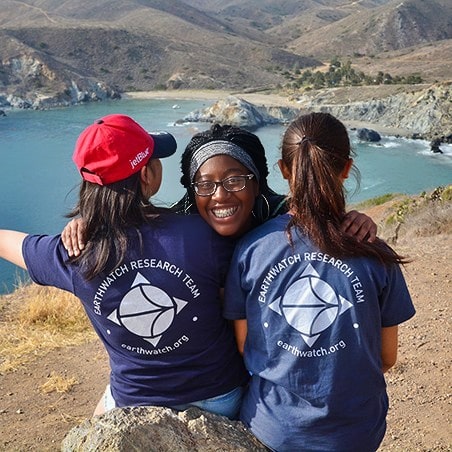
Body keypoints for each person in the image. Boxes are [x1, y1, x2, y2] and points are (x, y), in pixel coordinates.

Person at [0, 114, 248, 419]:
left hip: (134, 403)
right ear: (145, 175)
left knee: (96, 420)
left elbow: (7, 242)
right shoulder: (202, 235)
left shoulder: (76, 253)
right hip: (220, 397)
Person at [223, 112, 415, 451]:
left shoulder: (251, 249)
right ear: (346, 169)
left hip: (273, 429)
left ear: (284, 170)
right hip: (355, 432)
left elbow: (245, 347)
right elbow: (386, 358)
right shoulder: (376, 255)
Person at [63, 124, 377, 256]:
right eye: (204, 184)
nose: (220, 195)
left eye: (235, 180)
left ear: (257, 181)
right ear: (191, 188)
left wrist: (353, 219)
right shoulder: (175, 226)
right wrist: (89, 224)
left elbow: (322, 220)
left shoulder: (285, 215)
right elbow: (126, 226)